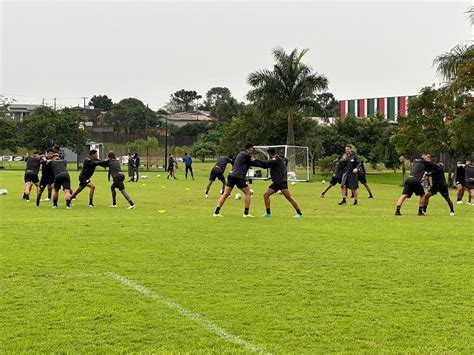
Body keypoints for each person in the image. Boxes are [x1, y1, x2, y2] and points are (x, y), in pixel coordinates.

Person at [213, 143, 261, 218]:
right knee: (248, 193)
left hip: (231, 175)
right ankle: (246, 213)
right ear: (250, 148)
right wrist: (267, 164)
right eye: (252, 148)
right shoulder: (246, 155)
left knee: (225, 194)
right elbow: (255, 162)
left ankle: (216, 212)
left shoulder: (240, 154)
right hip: (238, 176)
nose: (252, 150)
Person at [259, 148, 303, 218]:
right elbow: (267, 166)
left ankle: (299, 213)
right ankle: (268, 213)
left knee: (289, 197)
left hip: (281, 183)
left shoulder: (277, 159)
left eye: (268, 154)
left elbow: (266, 163)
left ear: (270, 153)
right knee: (266, 195)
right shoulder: (274, 160)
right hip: (276, 183)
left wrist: (254, 161)